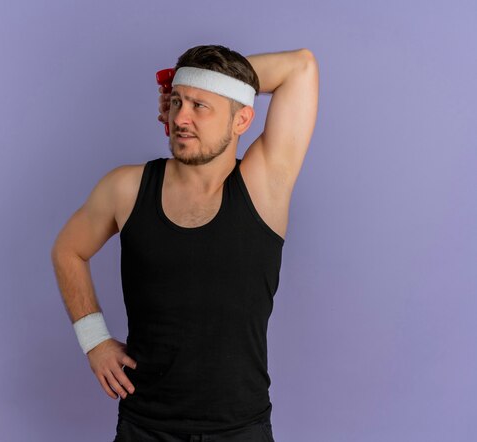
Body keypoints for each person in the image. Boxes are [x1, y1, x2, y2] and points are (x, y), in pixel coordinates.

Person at [51, 44, 319, 441]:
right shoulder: (125, 187)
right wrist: (94, 342)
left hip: (238, 429)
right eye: (176, 102)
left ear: (242, 118)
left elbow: (301, 66)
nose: (181, 118)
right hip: (145, 426)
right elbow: (68, 250)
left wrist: (196, 80)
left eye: (199, 106)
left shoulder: (265, 185)